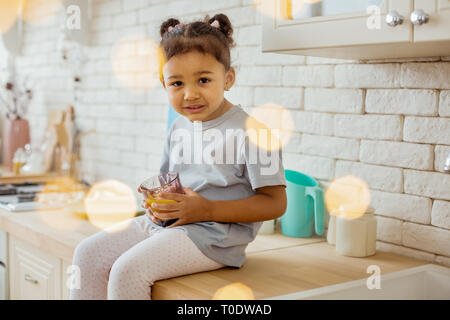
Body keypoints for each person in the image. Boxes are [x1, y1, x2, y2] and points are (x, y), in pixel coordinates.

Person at [70, 13, 287, 300]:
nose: (190, 94)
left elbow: (276, 203)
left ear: (228, 78)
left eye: (204, 80)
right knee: (87, 254)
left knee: (127, 270)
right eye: (177, 84)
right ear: (163, 83)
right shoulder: (178, 127)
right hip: (173, 227)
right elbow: (170, 180)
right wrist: (156, 202)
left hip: (216, 238)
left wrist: (205, 210)